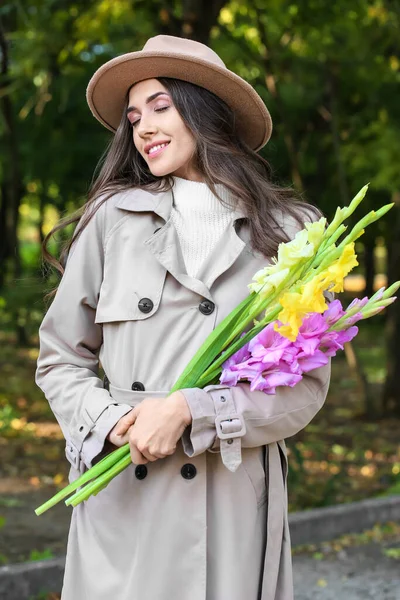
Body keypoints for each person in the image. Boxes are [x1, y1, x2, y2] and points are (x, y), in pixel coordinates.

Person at [35, 34, 331, 600]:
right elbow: (60, 360)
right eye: (133, 116)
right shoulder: (111, 220)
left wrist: (195, 411)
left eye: (161, 106)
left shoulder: (294, 234)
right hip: (126, 485)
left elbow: (305, 388)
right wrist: (112, 422)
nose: (142, 126)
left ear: (204, 111)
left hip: (230, 497)